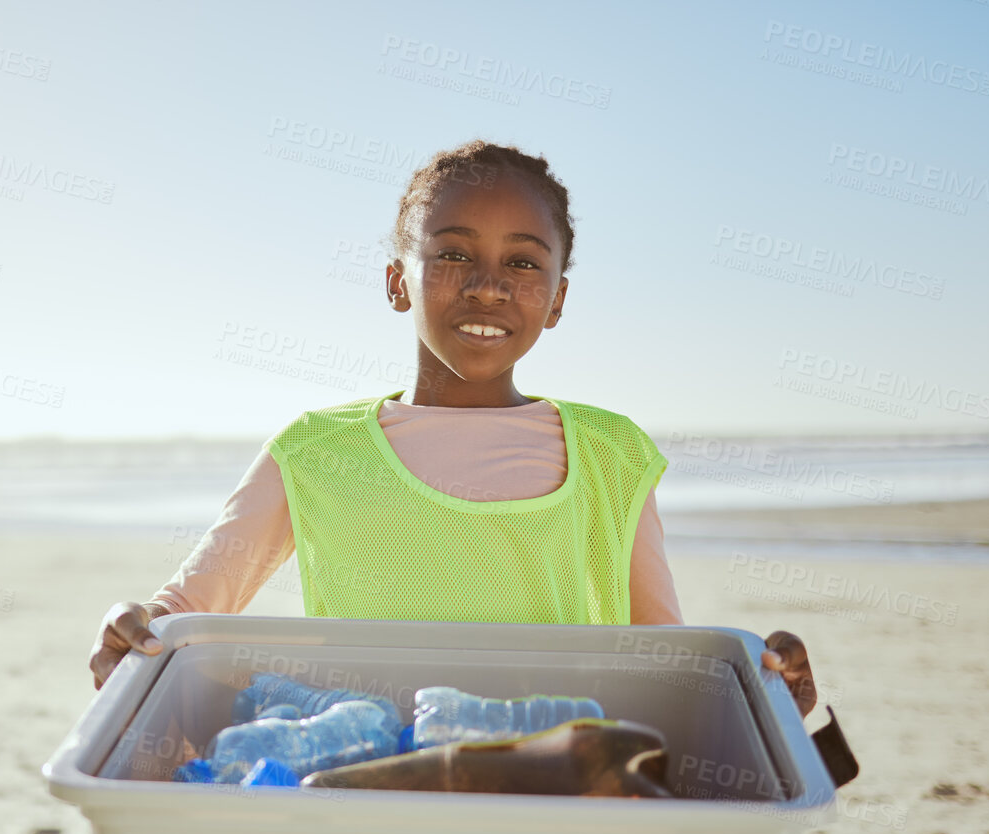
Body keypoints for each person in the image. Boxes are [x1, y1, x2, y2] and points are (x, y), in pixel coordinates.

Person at [88, 140, 856, 786]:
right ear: (398, 281)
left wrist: (764, 697)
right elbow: (180, 614)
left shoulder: (609, 454)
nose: (488, 284)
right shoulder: (316, 453)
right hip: (368, 788)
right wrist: (132, 629)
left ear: (556, 298)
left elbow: (664, 665)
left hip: (556, 795)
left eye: (523, 264)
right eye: (451, 254)